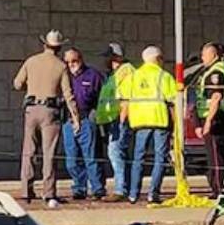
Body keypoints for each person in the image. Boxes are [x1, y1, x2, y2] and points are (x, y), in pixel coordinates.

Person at [14, 31, 79, 209]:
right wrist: (75, 117)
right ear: (59, 48)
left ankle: (26, 191)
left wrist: (33, 86)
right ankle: (49, 192)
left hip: (31, 109)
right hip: (50, 111)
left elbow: (17, 84)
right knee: (49, 153)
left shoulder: (31, 61)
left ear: (44, 44)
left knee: (29, 150)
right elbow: (68, 94)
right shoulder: (60, 66)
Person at [121, 45, 177, 206]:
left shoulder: (133, 76)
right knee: (160, 157)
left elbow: (124, 100)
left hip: (140, 122)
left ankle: (133, 194)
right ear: (158, 59)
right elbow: (173, 101)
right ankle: (153, 193)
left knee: (138, 157)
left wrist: (123, 122)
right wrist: (176, 125)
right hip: (160, 121)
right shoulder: (164, 76)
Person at [194, 42, 224, 198]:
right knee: (220, 154)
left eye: (204, 54)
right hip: (221, 117)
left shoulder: (216, 72)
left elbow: (216, 97)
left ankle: (219, 189)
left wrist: (207, 122)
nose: (202, 57)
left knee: (215, 156)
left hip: (215, 118)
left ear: (213, 55)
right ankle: (223, 188)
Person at [62, 48, 106, 200]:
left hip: (87, 118)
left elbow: (104, 97)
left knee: (91, 156)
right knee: (72, 159)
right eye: (67, 62)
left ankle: (97, 188)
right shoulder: (64, 76)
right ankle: (79, 188)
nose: (71, 64)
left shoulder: (93, 75)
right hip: (68, 121)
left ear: (80, 59)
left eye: (74, 61)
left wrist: (98, 115)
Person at [95, 43, 135, 203]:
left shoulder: (125, 72)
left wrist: (122, 121)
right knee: (119, 153)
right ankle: (125, 187)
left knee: (115, 152)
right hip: (114, 119)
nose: (104, 60)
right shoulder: (115, 73)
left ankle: (120, 189)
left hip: (120, 118)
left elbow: (125, 98)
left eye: (107, 57)